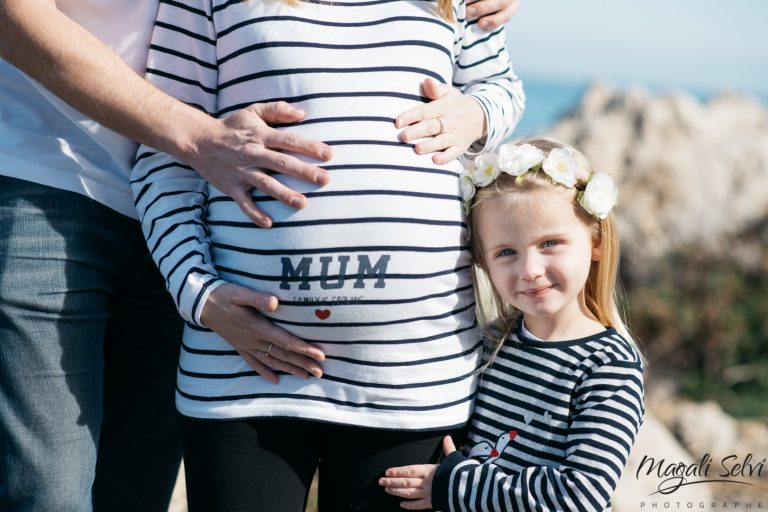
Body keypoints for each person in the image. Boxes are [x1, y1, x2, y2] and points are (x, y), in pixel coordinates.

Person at [0, 2, 520, 512]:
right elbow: (166, 152)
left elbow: (497, 85)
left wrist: (477, 111)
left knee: (130, 490)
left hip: (410, 376)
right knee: (51, 492)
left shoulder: (449, 5)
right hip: (231, 370)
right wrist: (199, 295)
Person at [378, 139, 645, 511]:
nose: (530, 270)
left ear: (596, 240)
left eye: (550, 242)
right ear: (484, 263)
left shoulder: (608, 365)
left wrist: (456, 485)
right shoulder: (492, 342)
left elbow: (581, 494)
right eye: (506, 252)